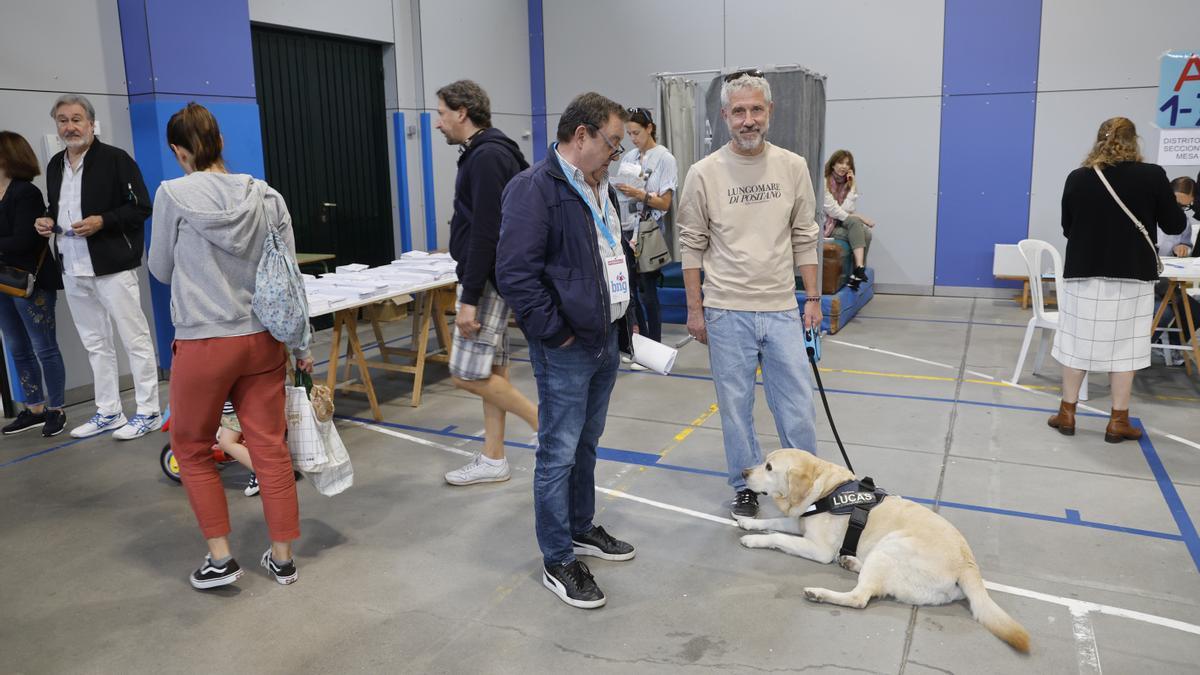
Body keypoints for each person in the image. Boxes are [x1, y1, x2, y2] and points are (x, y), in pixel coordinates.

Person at [148, 102, 312, 589]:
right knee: (269, 447)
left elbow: (159, 268)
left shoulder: (172, 195)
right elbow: (292, 275)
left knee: (192, 448)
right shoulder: (267, 196)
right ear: (221, 143)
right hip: (262, 338)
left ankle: (220, 559)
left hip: (203, 341)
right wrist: (301, 342)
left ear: (179, 151)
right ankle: (282, 558)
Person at [496, 92, 638, 609]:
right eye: (612, 143)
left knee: (587, 443)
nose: (615, 153)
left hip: (605, 338)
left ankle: (580, 527)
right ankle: (557, 557)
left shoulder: (601, 188)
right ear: (582, 135)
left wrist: (627, 313)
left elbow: (612, 256)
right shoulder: (534, 189)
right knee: (558, 452)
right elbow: (515, 273)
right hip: (567, 346)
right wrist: (556, 333)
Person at [676, 70, 821, 518]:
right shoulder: (703, 174)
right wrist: (695, 310)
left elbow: (805, 235)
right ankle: (747, 486)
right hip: (725, 311)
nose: (748, 119)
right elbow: (691, 244)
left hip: (780, 309)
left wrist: (813, 299)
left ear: (770, 112)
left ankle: (808, 486)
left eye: (756, 109)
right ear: (724, 116)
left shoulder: (793, 167)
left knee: (797, 406)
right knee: (736, 410)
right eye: (738, 111)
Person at [1047, 117, 1186, 441]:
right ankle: (1117, 420)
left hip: (1083, 271)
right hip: (1132, 274)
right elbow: (1173, 222)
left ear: (1097, 140)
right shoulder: (1152, 176)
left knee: (1076, 342)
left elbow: (1068, 227)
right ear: (1134, 141)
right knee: (1126, 347)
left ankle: (1067, 413)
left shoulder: (1078, 177)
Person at [33, 94, 160, 440]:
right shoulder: (56, 164)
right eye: (62, 120)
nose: (69, 126)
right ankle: (109, 411)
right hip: (72, 267)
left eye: (76, 119)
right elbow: (56, 205)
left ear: (91, 124)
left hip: (113, 266)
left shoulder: (116, 160)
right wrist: (46, 220)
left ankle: (148, 411)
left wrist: (103, 221)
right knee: (95, 342)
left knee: (135, 339)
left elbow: (140, 207)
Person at [435, 79, 538, 486]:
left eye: (442, 113)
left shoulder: (486, 157)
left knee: (466, 374)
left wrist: (470, 298)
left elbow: (486, 231)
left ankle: (543, 426)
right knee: (493, 368)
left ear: (462, 112)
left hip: (489, 281)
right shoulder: (489, 152)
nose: (439, 123)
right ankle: (493, 457)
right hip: (492, 276)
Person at [0, 131, 67, 437]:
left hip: (30, 282)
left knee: (44, 347)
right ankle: (34, 407)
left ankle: (56, 409)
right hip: (2, 281)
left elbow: (23, 241)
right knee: (16, 347)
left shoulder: (25, 192)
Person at [615, 107, 678, 344]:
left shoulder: (665, 158)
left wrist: (639, 194)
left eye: (637, 133)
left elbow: (665, 204)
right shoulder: (628, 158)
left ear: (649, 128)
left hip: (648, 230)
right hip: (627, 227)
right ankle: (637, 341)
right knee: (630, 290)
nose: (633, 139)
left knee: (648, 292)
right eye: (629, 134)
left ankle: (655, 343)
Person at [1153, 177, 1197, 366]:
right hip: (1145, 283)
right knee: (1164, 313)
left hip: (1166, 283)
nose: (1178, 210)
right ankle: (1139, 349)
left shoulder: (1183, 222)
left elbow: (1186, 243)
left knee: (1195, 310)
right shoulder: (1149, 213)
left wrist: (1183, 248)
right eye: (1175, 204)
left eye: (1184, 207)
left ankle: (1171, 346)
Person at [822, 149, 877, 290]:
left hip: (840, 223)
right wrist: (858, 216)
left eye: (847, 164)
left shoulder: (847, 184)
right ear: (833, 164)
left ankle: (856, 274)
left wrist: (852, 187)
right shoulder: (824, 182)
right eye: (840, 162)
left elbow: (846, 210)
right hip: (827, 226)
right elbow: (833, 211)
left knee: (867, 234)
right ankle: (859, 270)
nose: (844, 166)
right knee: (857, 223)